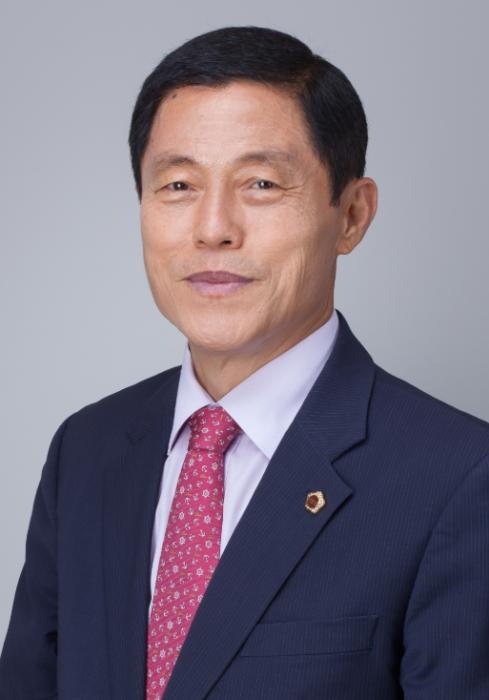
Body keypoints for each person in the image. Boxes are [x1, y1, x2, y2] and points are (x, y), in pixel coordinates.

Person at [1, 24, 488, 700]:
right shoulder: (86, 451)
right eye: (177, 185)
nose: (212, 229)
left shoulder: (458, 477)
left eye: (261, 183)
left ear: (351, 214)